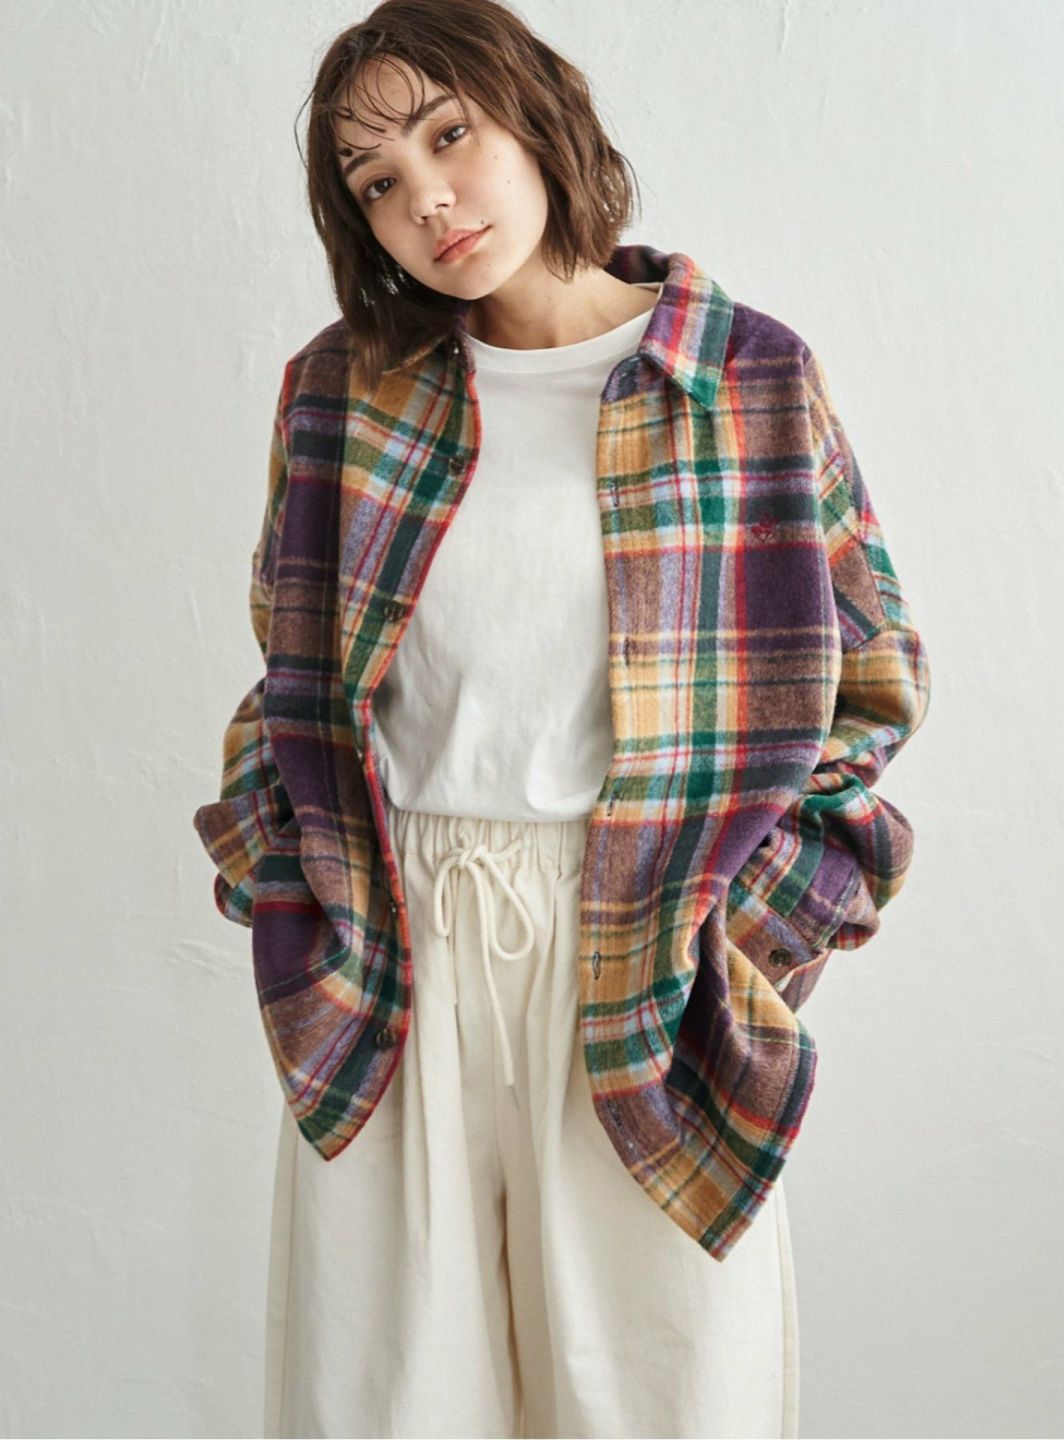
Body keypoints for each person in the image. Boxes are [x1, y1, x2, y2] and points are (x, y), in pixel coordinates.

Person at [192, 2, 932, 1435]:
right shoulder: (342, 392)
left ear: (536, 114)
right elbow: (288, 676)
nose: (426, 198)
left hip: (651, 948)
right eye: (377, 181)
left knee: (662, 1396)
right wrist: (288, 885)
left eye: (448, 133)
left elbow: (872, 681)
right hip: (393, 942)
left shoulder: (744, 377)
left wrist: (743, 939)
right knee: (387, 1401)